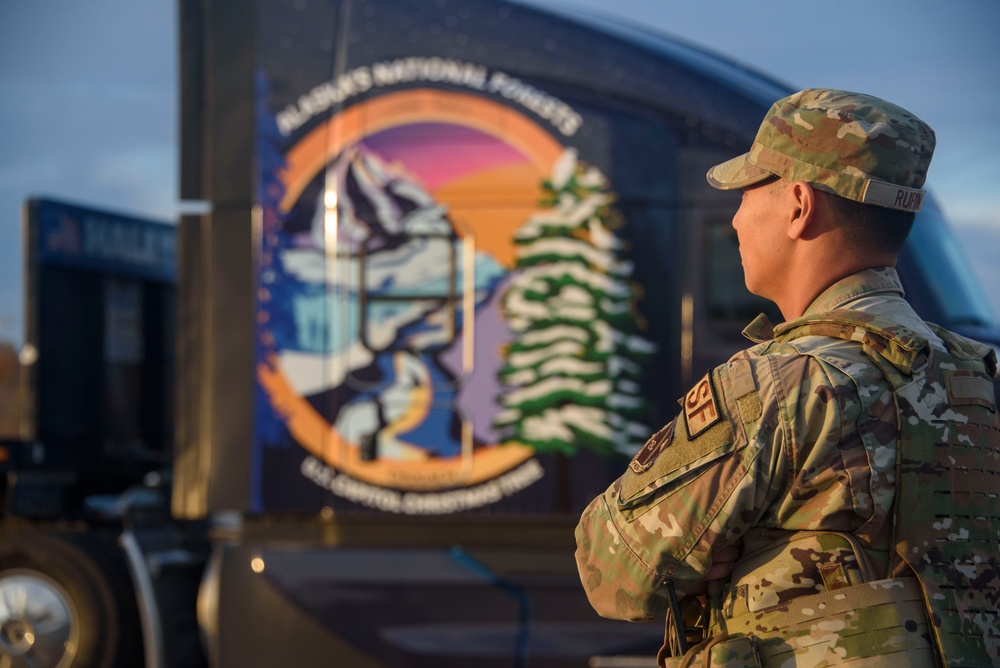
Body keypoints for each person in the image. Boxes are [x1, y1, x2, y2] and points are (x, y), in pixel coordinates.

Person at [574, 88, 1000, 667]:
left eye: (749, 193)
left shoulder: (780, 384)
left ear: (799, 205)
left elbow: (615, 568)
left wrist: (709, 558)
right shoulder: (979, 377)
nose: (735, 217)